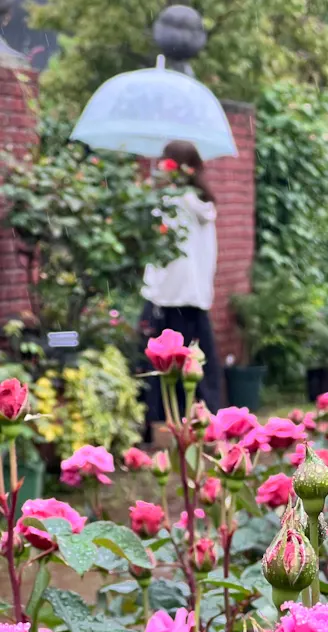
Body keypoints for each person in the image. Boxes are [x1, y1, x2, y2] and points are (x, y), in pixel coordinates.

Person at [140, 139, 222, 425]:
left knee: (162, 370)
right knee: (197, 370)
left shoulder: (171, 202)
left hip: (165, 297)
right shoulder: (203, 203)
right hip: (194, 296)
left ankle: (160, 423)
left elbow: (157, 252)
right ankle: (205, 423)